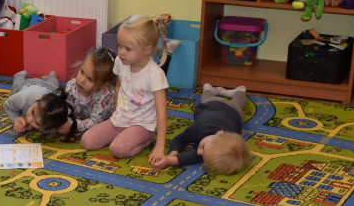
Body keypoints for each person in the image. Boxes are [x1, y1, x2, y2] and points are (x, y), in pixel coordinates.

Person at [81, 14, 169, 161]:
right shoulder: (121, 62)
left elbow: (162, 112)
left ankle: (146, 139)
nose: (121, 52)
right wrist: (116, 114)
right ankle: (123, 135)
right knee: (87, 141)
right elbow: (119, 88)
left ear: (147, 50)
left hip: (142, 125)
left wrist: (160, 146)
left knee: (117, 149)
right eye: (119, 46)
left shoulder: (155, 74)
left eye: (127, 48)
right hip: (120, 119)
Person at [153, 82, 250, 174]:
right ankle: (210, 89)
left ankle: (240, 92)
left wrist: (170, 160)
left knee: (238, 103)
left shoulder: (215, 145)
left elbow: (196, 156)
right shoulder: (199, 128)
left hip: (235, 113)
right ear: (219, 134)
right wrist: (172, 155)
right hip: (213, 104)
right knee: (206, 98)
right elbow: (180, 139)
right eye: (203, 148)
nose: (198, 152)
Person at [2, 69, 77, 137]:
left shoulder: (58, 111)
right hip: (29, 84)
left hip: (49, 87)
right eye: (32, 112)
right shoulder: (23, 98)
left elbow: (54, 128)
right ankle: (19, 75)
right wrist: (15, 118)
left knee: (54, 85)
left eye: (37, 123)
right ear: (40, 98)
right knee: (15, 88)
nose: (29, 119)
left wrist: (31, 125)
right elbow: (7, 105)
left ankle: (51, 76)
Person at [61, 46, 117, 136]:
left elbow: (94, 122)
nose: (82, 80)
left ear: (103, 85)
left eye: (90, 79)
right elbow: (67, 108)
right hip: (83, 118)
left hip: (108, 120)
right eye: (82, 72)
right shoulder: (71, 85)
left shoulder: (105, 97)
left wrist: (73, 125)